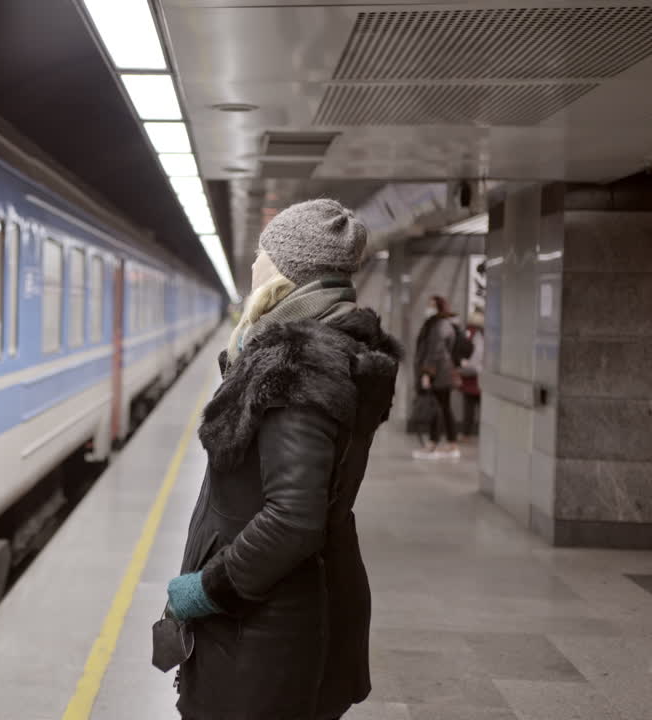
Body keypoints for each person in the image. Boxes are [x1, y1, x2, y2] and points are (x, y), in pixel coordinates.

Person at [161, 199, 401, 720]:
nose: (252, 266)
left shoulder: (299, 367)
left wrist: (207, 588)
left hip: (268, 628)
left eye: (263, 255)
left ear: (287, 271)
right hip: (285, 613)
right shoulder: (331, 349)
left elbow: (293, 519)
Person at [412, 295, 462, 460]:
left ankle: (433, 445)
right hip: (444, 371)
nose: (429, 308)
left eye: (432, 305)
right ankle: (452, 444)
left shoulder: (439, 325)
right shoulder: (441, 324)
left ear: (440, 307)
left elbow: (436, 351)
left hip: (439, 373)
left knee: (437, 408)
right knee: (444, 408)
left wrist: (427, 373)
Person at [458, 309, 484, 439]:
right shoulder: (479, 334)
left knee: (468, 407)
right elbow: (478, 354)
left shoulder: (465, 332)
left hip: (465, 374)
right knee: (482, 407)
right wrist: (475, 368)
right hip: (476, 375)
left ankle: (466, 433)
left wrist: (462, 369)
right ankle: (482, 432)